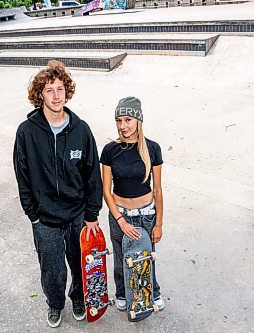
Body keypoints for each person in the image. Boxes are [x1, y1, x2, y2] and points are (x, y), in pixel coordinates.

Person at [13, 60, 103, 328]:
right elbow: (23, 174)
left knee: (79, 263)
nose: (56, 95)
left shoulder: (81, 129)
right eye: (49, 90)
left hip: (76, 214)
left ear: (67, 92)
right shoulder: (27, 132)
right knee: (52, 270)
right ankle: (55, 304)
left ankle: (78, 297)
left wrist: (91, 214)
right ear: (39, 94)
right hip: (46, 219)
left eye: (60, 89)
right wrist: (33, 214)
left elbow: (92, 175)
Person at [100, 96, 165, 312]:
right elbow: (106, 191)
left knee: (146, 256)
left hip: (146, 214)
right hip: (120, 214)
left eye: (127, 120)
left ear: (138, 121)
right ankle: (122, 292)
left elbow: (157, 190)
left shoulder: (153, 149)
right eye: (119, 120)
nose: (122, 126)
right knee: (120, 259)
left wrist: (158, 223)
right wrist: (120, 221)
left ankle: (152, 292)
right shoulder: (110, 150)